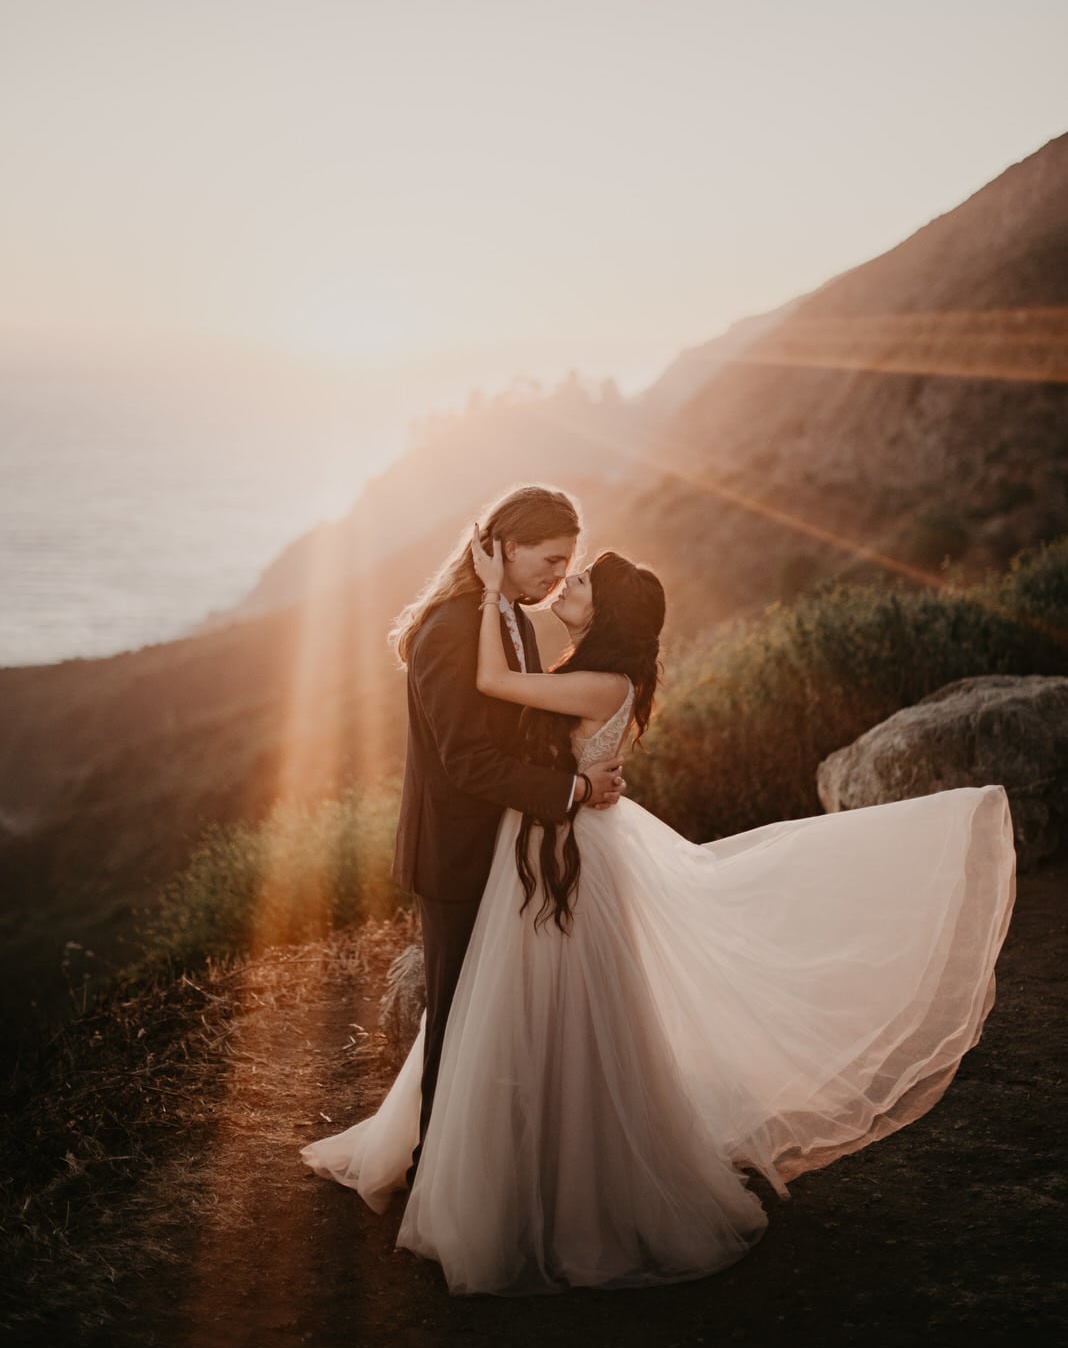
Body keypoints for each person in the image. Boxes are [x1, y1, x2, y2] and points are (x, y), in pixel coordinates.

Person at [302, 532, 1017, 1296]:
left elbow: (490, 681)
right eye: (562, 568)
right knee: (548, 1014)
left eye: (580, 581)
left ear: (606, 614)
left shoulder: (600, 683)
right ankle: (519, 1162)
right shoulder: (593, 675)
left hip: (564, 854)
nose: (565, 582)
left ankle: (556, 1186)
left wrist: (485, 590)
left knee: (564, 1016)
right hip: (553, 845)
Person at [380, 485, 625, 1189]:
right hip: (455, 854)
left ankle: (489, 1163)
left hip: (503, 849)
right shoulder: (450, 629)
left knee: (491, 1020)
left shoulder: (507, 616)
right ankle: (437, 1178)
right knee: (456, 1019)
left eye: (566, 563)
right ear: (507, 549)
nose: (557, 576)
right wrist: (572, 792)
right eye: (550, 559)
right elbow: (467, 761)